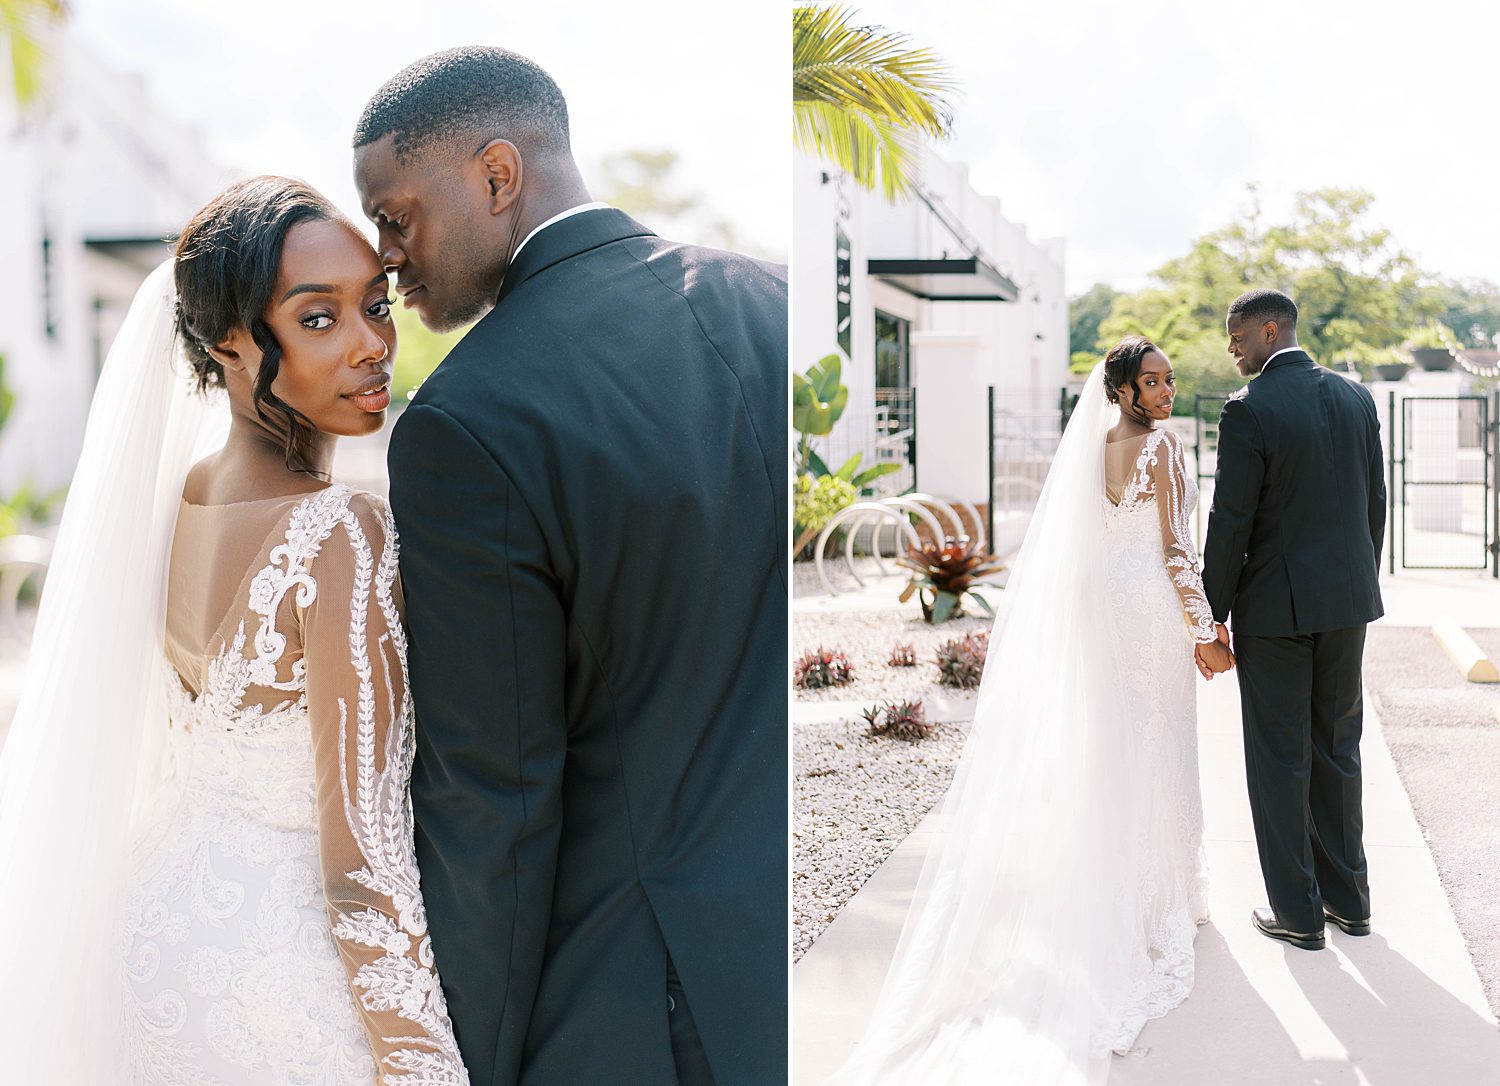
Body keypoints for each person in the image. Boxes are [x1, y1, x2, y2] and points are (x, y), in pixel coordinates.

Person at [352, 47, 788, 1086]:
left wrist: (462, 1055)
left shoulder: (468, 419)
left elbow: (493, 793)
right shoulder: (776, 300)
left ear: (497, 177)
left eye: (397, 216)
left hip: (637, 1003)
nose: (386, 258)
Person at [0, 176, 467, 1084]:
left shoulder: (178, 502)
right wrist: (421, 1061)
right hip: (274, 976)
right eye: (318, 319)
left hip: (150, 935)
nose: (374, 344)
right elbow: (360, 861)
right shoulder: (341, 532)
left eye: (374, 305)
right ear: (229, 343)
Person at [829, 338, 1227, 1085]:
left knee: (1115, 745)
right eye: (1155, 380)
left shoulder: (1092, 450)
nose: (1168, 390)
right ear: (1125, 389)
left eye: (1170, 380)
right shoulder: (1163, 449)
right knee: (1157, 745)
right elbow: (1178, 552)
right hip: (1146, 610)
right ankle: (1156, 904)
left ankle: (1121, 886)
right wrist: (1205, 632)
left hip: (1102, 606)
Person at [1203, 288, 1385, 951]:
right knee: (1337, 748)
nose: (1232, 346)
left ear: (1270, 328)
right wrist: (1357, 580)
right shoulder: (1356, 396)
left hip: (1275, 611)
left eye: (1237, 335)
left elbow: (1232, 521)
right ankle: (1351, 903)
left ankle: (1299, 915)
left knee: (1280, 758)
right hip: (1346, 603)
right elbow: (1375, 502)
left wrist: (1210, 613)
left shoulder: (1248, 410)